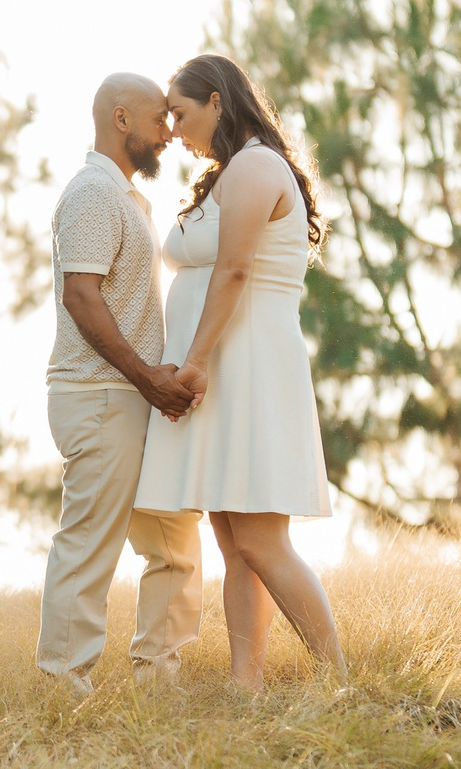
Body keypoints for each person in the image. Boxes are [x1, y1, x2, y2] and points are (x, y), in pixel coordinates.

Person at [133, 54, 345, 689]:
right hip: (229, 366)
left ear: (218, 102)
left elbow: (234, 271)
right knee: (235, 542)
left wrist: (194, 362)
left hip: (249, 367)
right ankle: (244, 685)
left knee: (261, 541)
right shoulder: (232, 171)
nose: (173, 129)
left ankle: (339, 680)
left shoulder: (255, 166)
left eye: (180, 113)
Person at [38, 73, 206, 698]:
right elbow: (80, 297)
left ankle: (158, 679)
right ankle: (63, 689)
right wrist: (145, 378)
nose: (168, 132)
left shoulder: (128, 198)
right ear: (120, 118)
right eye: (159, 119)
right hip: (101, 395)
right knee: (89, 545)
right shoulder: (92, 194)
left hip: (133, 398)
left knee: (173, 541)